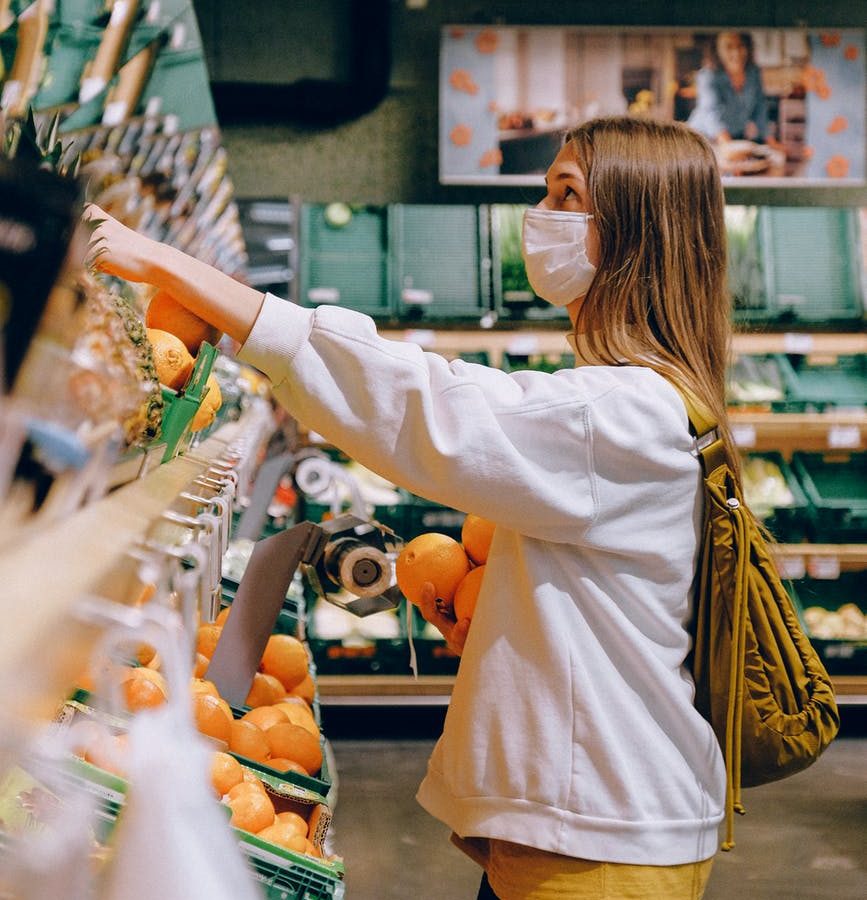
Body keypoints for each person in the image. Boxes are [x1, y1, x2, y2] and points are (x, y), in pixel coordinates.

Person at [87, 114, 736, 899]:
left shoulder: (619, 411)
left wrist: (169, 267)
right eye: (545, 190)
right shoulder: (648, 397)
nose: (541, 217)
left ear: (638, 231)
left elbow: (426, 402)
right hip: (592, 818)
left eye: (568, 196)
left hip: (602, 837)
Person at [688, 31, 770, 144]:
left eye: (740, 45)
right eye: (729, 46)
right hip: (702, 139)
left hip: (734, 137)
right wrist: (727, 146)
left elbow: (760, 108)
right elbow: (711, 113)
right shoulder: (708, 76)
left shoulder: (753, 73)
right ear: (717, 50)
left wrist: (770, 140)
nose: (736, 53)